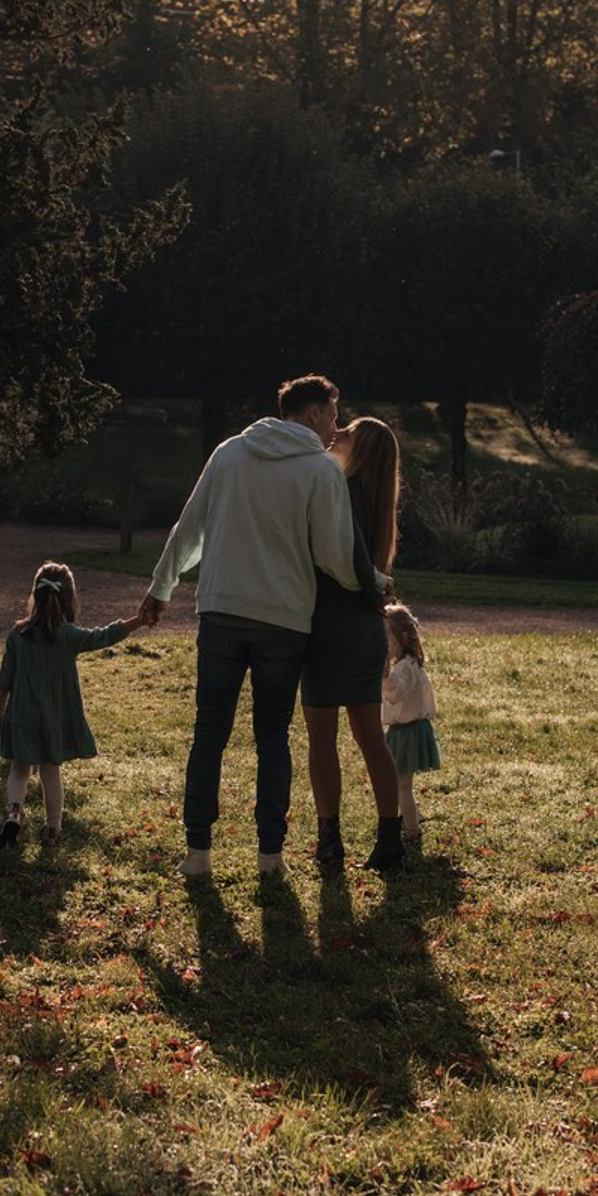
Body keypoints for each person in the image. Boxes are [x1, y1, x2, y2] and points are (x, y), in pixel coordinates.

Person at [140, 374, 366, 878]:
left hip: (221, 609)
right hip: (283, 621)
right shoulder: (318, 471)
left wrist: (161, 586)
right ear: (311, 414)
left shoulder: (229, 454)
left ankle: (198, 853)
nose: (336, 425)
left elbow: (190, 526)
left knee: (209, 735)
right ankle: (270, 857)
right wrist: (372, 582)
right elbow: (335, 556)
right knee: (272, 739)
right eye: (332, 413)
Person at [300, 416, 405, 875]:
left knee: (322, 736)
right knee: (371, 739)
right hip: (364, 631)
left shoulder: (338, 493)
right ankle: (390, 837)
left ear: (361, 451)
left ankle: (330, 839)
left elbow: (340, 563)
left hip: (328, 627)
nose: (338, 433)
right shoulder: (377, 506)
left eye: (349, 432)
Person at [0, 561, 142, 849]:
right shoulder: (68, 635)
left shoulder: (18, 635)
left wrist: (0, 716)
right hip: (53, 719)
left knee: (19, 769)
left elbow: (4, 680)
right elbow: (103, 636)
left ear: (34, 596)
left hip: (21, 716)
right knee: (51, 771)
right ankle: (52, 828)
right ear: (69, 598)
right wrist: (138, 620)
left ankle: (13, 813)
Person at [382, 601, 442, 843]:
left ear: (402, 638)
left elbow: (395, 692)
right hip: (408, 730)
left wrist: (383, 672)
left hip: (406, 731)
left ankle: (412, 829)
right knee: (402, 781)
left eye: (386, 638)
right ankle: (414, 814)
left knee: (401, 784)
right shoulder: (410, 664)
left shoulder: (404, 669)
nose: (383, 645)